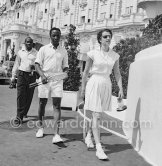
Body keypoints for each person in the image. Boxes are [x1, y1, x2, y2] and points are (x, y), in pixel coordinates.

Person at [81, 29, 123, 160]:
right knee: (96, 115)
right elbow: (86, 72)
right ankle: (99, 148)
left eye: (110, 36)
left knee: (98, 114)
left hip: (106, 83)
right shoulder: (92, 54)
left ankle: (89, 134)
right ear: (99, 39)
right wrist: (82, 89)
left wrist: (121, 89)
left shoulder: (114, 55)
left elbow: (117, 73)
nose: (108, 38)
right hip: (94, 83)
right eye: (105, 36)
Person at [35, 27, 68, 143]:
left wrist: (65, 73)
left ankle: (56, 134)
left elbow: (65, 66)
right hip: (44, 79)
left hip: (57, 80)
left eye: (58, 35)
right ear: (50, 36)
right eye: (54, 35)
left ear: (60, 37)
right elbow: (37, 65)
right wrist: (42, 76)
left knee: (57, 106)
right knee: (42, 104)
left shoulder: (63, 50)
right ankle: (40, 128)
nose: (56, 37)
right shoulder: (43, 49)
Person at [11, 37, 37, 124]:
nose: (29, 44)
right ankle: (19, 117)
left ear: (32, 43)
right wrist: (13, 77)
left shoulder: (36, 53)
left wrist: (35, 69)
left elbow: (39, 65)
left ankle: (24, 112)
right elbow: (16, 64)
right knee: (21, 96)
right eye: (27, 42)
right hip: (21, 75)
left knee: (29, 96)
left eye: (30, 42)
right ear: (25, 43)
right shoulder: (20, 52)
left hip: (32, 76)